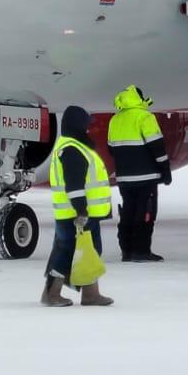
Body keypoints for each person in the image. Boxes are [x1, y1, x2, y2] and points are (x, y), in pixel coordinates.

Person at [43, 105, 114, 307]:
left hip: (82, 213)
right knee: (66, 253)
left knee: (90, 252)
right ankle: (51, 294)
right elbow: (74, 184)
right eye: (86, 125)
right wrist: (81, 209)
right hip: (75, 214)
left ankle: (91, 294)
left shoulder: (75, 146)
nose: (88, 129)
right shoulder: (72, 149)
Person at [106, 84, 171, 262]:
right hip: (146, 177)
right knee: (145, 212)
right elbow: (157, 146)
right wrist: (165, 169)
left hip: (124, 178)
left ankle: (126, 250)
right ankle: (141, 251)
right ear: (140, 99)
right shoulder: (145, 117)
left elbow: (111, 149)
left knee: (128, 210)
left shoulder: (115, 120)